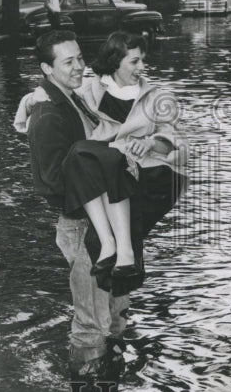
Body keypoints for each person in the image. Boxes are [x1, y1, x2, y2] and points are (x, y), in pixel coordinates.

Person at [15, 31, 186, 305]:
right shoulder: (79, 95)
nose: (142, 68)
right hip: (92, 210)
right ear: (115, 61)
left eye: (143, 60)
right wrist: (30, 100)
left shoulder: (153, 97)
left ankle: (115, 340)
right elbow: (53, 96)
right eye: (133, 61)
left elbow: (177, 144)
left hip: (131, 197)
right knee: (98, 316)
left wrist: (152, 143)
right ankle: (117, 252)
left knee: (116, 309)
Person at [21, 29, 132, 377]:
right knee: (90, 322)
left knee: (114, 310)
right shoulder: (49, 116)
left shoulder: (73, 98)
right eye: (68, 61)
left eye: (80, 58)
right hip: (83, 228)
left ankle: (112, 382)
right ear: (47, 67)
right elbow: (51, 183)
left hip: (104, 223)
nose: (78, 66)